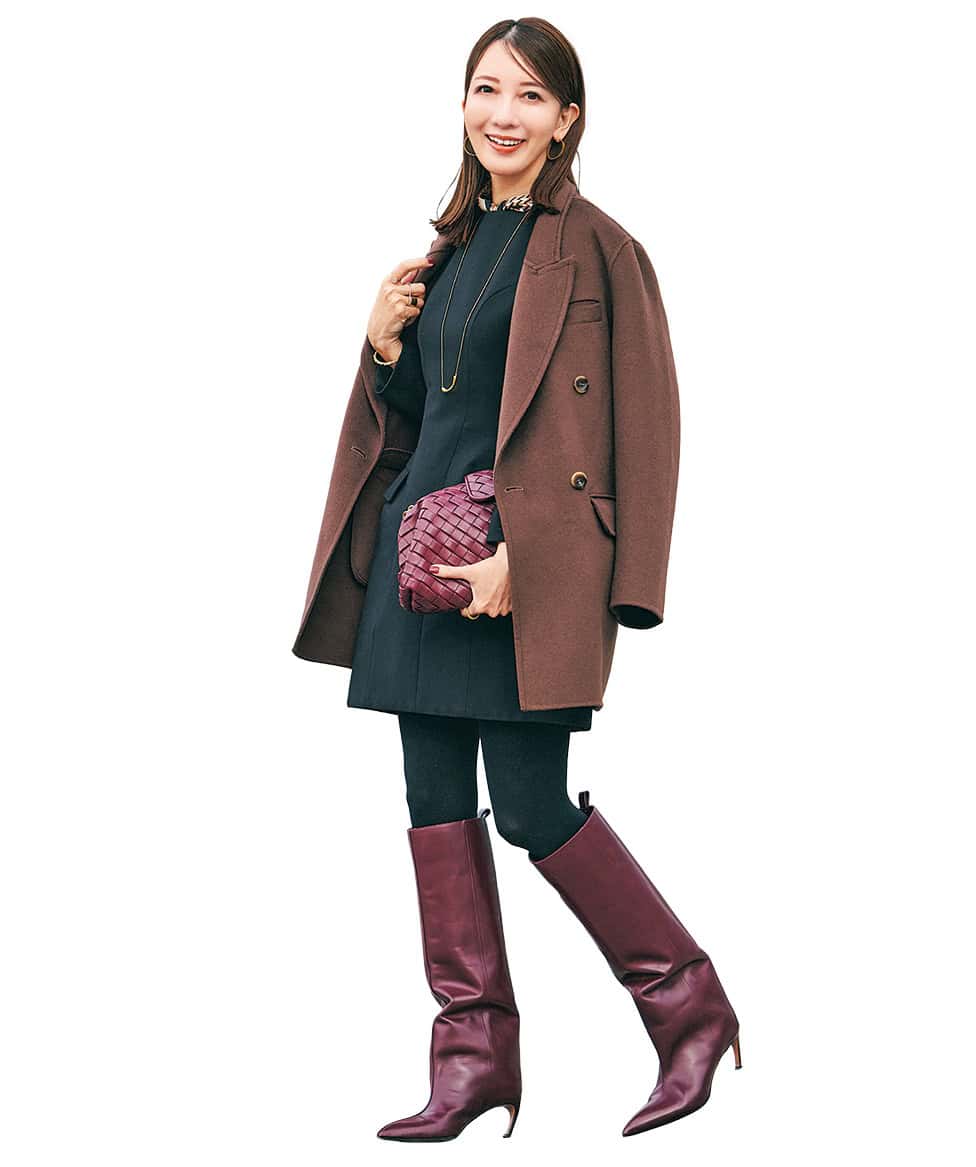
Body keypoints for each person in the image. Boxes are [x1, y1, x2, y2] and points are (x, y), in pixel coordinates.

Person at [291, 17, 741, 1141]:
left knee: (534, 807)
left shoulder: (599, 249)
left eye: (531, 95)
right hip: (424, 568)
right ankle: (473, 1059)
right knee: (433, 805)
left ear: (567, 119)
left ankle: (689, 1009)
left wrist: (537, 567)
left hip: (518, 576)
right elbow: (424, 422)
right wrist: (382, 348)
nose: (504, 113)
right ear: (461, 104)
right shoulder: (444, 253)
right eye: (486, 89)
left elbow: (646, 430)